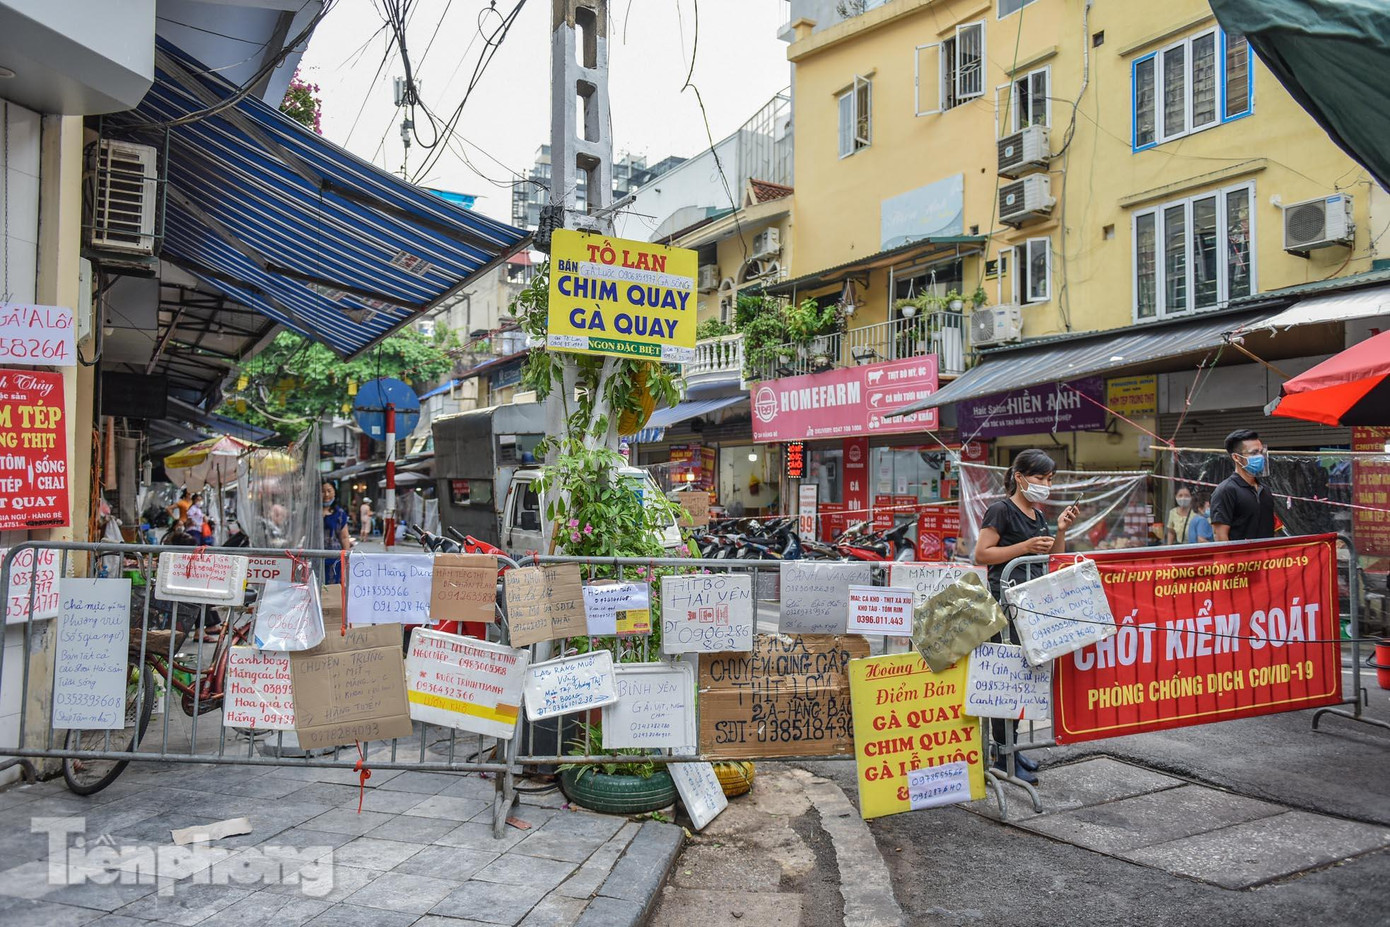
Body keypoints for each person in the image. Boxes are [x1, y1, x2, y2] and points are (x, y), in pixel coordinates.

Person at [973, 449, 1079, 785]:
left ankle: (1011, 750)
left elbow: (1051, 557)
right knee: (1005, 683)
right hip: (1004, 609)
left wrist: (1060, 530)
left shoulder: (1037, 514)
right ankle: (1002, 756)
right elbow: (981, 553)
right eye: (1040, 478)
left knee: (1020, 683)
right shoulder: (1001, 510)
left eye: (1049, 479)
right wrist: (1024, 548)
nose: (1045, 485)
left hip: (1030, 608)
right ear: (1020, 477)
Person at [1211, 429, 1276, 541]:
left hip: (1267, 557)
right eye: (1254, 453)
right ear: (1236, 457)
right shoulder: (1226, 490)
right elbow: (1220, 536)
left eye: (1261, 452)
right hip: (1240, 558)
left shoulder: (1264, 490)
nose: (1260, 457)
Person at [323, 482, 351, 584]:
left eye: (329, 491)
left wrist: (347, 557)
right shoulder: (311, 512)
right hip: (314, 558)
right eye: (322, 491)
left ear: (335, 492)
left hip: (334, 559)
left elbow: (344, 537)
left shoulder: (340, 514)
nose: (326, 494)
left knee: (332, 592)